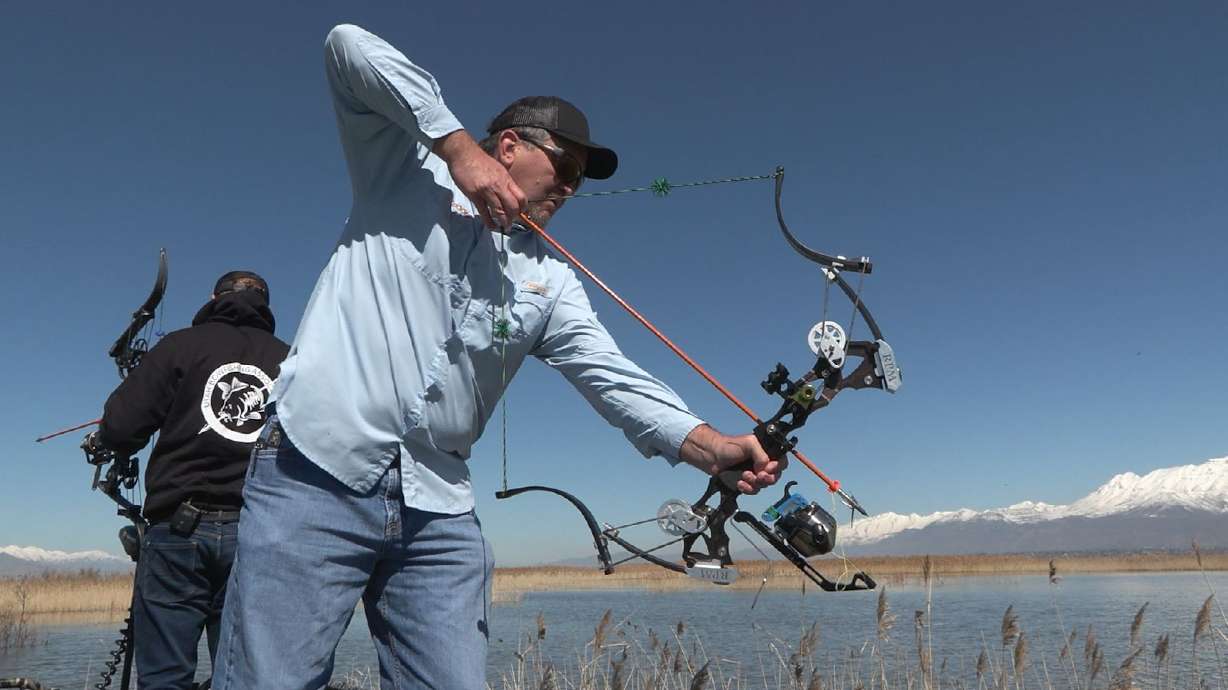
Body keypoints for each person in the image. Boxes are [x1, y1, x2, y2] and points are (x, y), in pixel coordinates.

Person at [211, 24, 785, 690]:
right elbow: (347, 47)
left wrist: (711, 447)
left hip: (438, 506)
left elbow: (612, 378)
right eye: (565, 169)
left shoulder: (552, 280)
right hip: (315, 470)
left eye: (579, 181)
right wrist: (457, 148)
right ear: (509, 146)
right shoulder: (401, 172)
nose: (570, 189)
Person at [97, 271, 289, 690]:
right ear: (266, 303)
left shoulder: (179, 346)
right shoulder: (291, 361)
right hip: (260, 535)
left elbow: (119, 428)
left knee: (165, 678)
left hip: (178, 533)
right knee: (245, 678)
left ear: (214, 297)